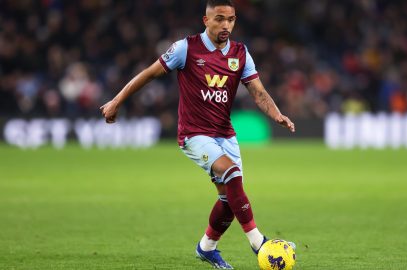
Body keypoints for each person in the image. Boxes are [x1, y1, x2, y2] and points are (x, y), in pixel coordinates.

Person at [100, 0, 295, 268]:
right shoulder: (186, 48)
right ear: (206, 20)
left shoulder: (240, 53)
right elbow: (148, 74)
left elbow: (258, 92)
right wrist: (116, 101)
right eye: (219, 19)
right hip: (194, 135)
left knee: (229, 200)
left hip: (225, 134)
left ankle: (206, 248)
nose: (226, 25)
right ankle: (259, 243)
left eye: (231, 19)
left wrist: (277, 114)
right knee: (232, 174)